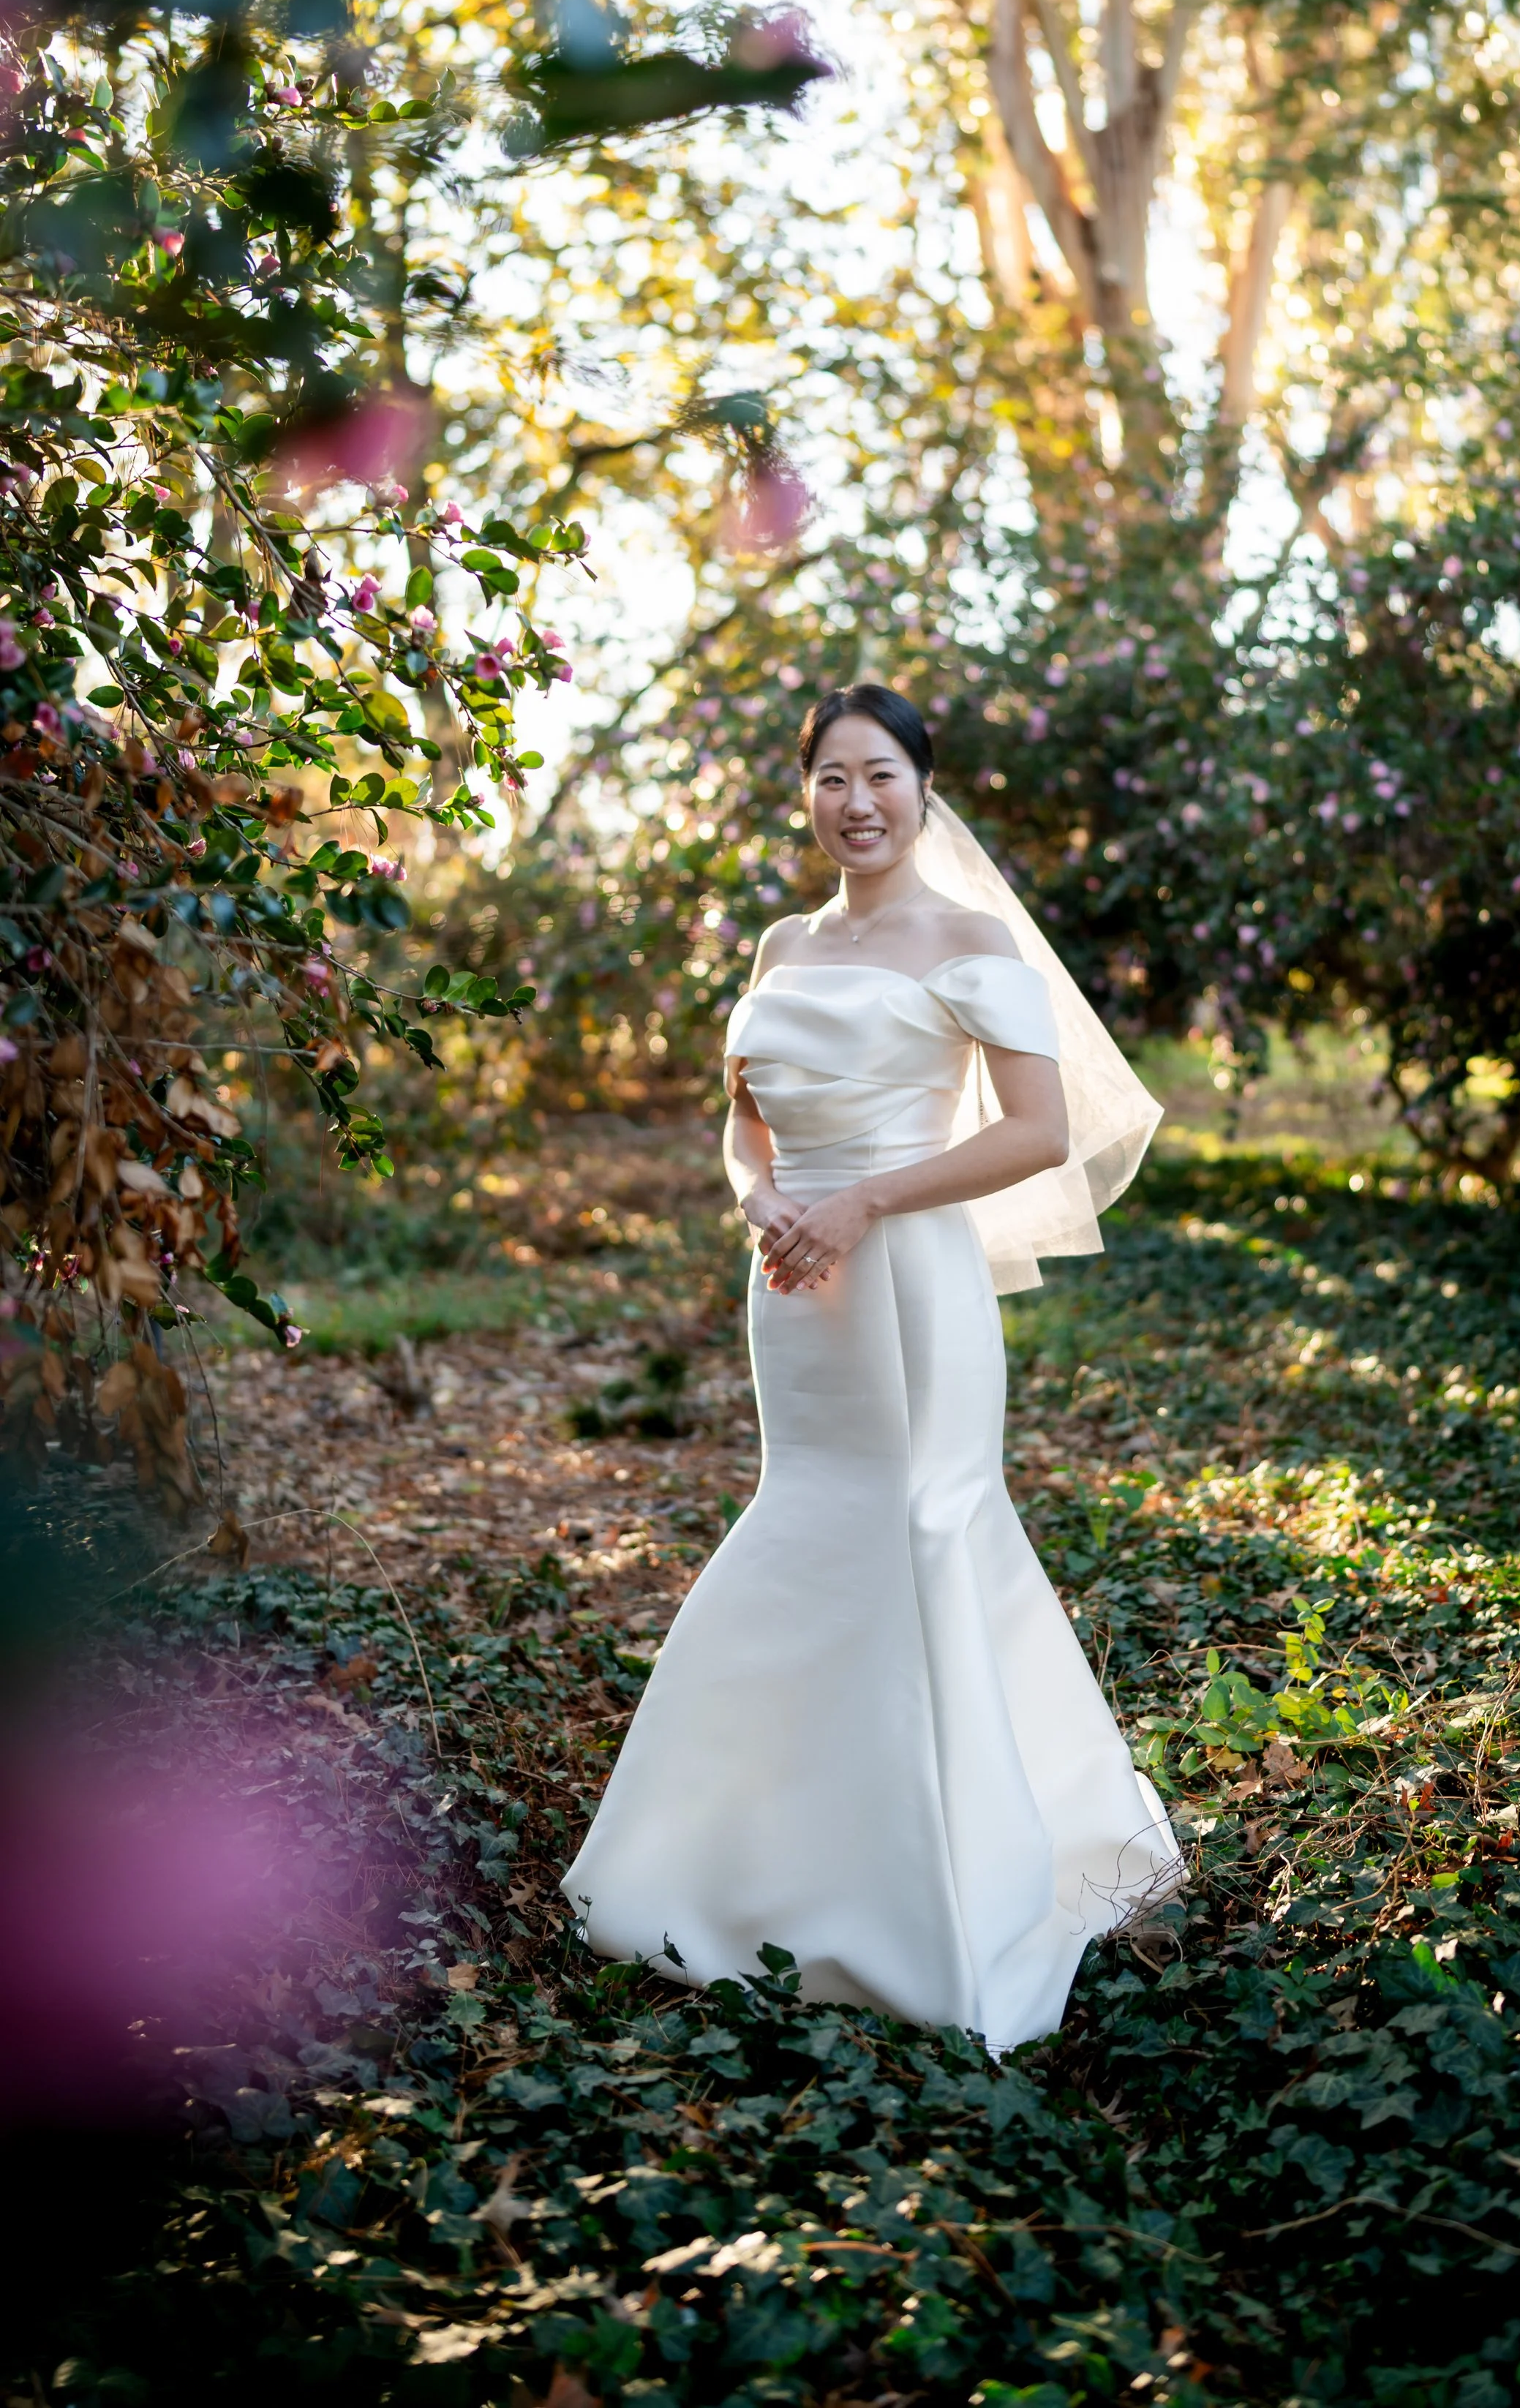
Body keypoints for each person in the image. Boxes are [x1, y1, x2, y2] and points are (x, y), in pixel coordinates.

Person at [562, 683, 1181, 2052]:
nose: (857, 801)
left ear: (923, 787)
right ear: (808, 793)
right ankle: (755, 1857)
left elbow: (1033, 1132)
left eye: (882, 774)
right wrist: (759, 1200)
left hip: (910, 1279)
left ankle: (945, 1887)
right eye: (832, 776)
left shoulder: (971, 940)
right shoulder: (784, 943)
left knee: (921, 1521)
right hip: (793, 1283)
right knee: (814, 1517)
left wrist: (867, 1202)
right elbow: (744, 1121)